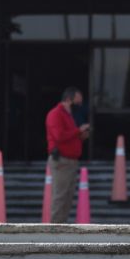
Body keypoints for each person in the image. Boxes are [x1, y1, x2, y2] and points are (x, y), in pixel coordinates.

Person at [45, 86, 91, 223]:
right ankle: (54, 230)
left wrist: (81, 136)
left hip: (71, 161)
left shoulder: (69, 116)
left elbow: (68, 136)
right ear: (68, 100)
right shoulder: (55, 114)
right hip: (62, 161)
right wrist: (78, 131)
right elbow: (59, 136)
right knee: (60, 197)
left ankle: (61, 227)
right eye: (77, 101)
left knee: (68, 197)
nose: (79, 105)